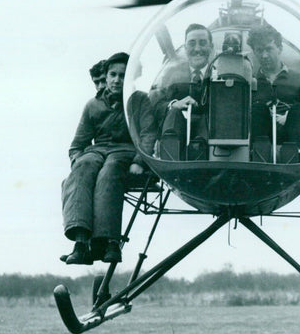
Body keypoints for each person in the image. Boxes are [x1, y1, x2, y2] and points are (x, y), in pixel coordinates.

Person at [60, 52, 155, 265]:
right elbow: (77, 145)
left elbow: (149, 134)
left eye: (123, 75)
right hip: (98, 151)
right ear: (106, 75)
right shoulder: (92, 105)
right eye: (113, 74)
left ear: (131, 77)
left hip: (125, 150)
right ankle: (81, 243)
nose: (116, 80)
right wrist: (77, 162)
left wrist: (139, 162)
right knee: (83, 166)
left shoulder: (139, 101)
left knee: (110, 171)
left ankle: (109, 242)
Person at [247, 25, 300, 160]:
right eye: (259, 50)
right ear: (254, 52)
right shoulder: (251, 82)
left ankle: (295, 154)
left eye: (269, 49)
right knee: (257, 109)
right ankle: (258, 153)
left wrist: (291, 116)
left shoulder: (298, 79)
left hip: (293, 136)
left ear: (280, 49)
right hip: (262, 137)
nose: (264, 55)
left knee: (299, 109)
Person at [149, 23, 213, 156]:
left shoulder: (220, 74)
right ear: (185, 47)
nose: (197, 49)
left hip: (211, 143)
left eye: (202, 43)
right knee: (174, 114)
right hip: (178, 135)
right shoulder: (171, 75)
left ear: (211, 47)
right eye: (192, 43)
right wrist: (174, 104)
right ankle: (169, 156)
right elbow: (155, 105)